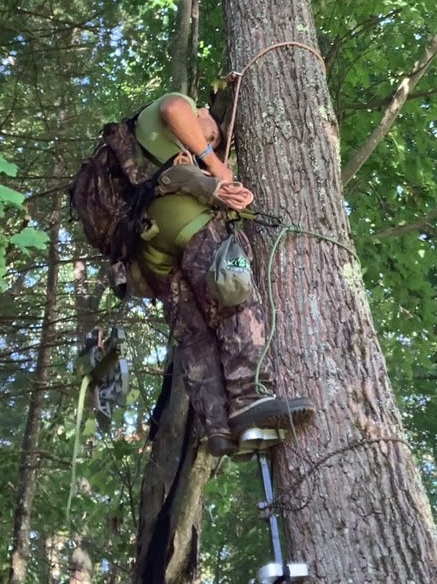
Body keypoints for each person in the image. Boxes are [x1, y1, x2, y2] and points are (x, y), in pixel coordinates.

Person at [128, 84, 313, 457]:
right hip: (188, 225)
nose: (210, 141)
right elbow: (176, 108)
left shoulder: (146, 158)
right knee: (233, 291)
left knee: (196, 334)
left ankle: (220, 428)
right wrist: (216, 166)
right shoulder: (168, 116)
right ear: (202, 113)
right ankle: (251, 397)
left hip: (153, 248)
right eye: (210, 134)